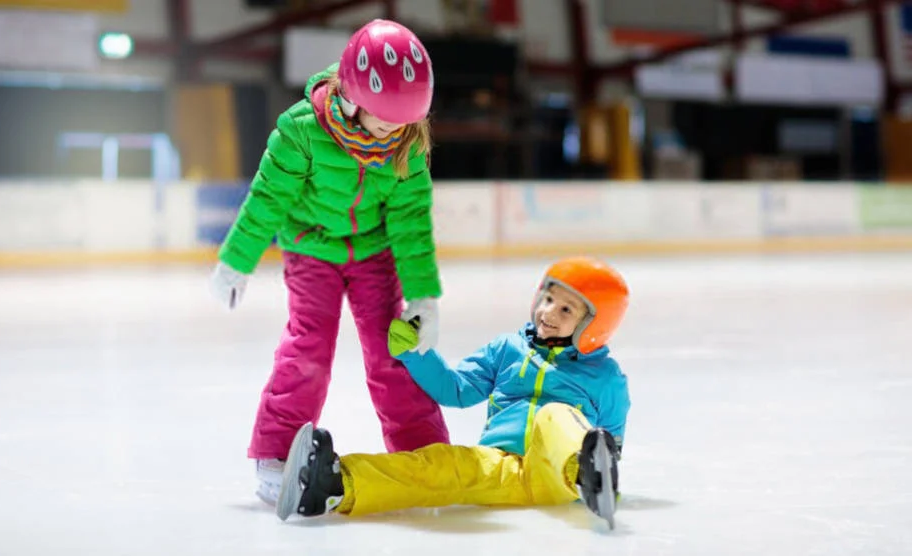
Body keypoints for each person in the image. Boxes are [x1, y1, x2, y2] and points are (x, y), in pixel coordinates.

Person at [208, 19, 450, 505]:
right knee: (309, 347)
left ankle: (422, 451)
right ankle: (276, 454)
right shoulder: (301, 131)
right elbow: (267, 200)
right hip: (310, 248)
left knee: (393, 351)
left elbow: (411, 222)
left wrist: (422, 293)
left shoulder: (406, 145)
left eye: (404, 121)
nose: (393, 130)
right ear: (354, 96)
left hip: (373, 253)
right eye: (385, 119)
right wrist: (237, 261)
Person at [275, 256, 632, 529]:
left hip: (558, 474)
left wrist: (596, 467)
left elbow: (610, 443)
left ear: (594, 325)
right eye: (548, 298)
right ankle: (334, 483)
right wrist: (418, 354)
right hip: (499, 466)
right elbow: (456, 389)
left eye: (567, 309)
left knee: (554, 416)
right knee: (441, 464)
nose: (548, 312)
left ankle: (588, 475)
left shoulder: (606, 378)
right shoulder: (508, 350)